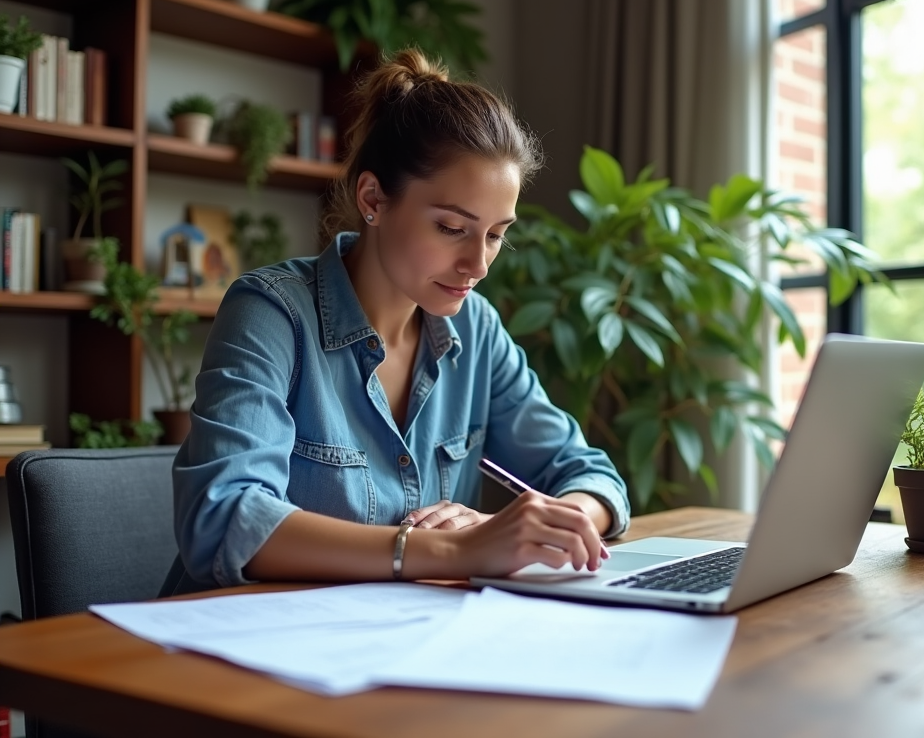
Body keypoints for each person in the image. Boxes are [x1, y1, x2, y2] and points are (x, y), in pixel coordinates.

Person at [165, 49, 630, 594]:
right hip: (229, 652)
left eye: (497, 234)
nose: (478, 265)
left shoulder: (475, 330)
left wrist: (548, 522)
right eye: (452, 228)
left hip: (395, 640)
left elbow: (591, 477)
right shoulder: (271, 313)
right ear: (373, 199)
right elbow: (223, 518)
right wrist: (453, 549)